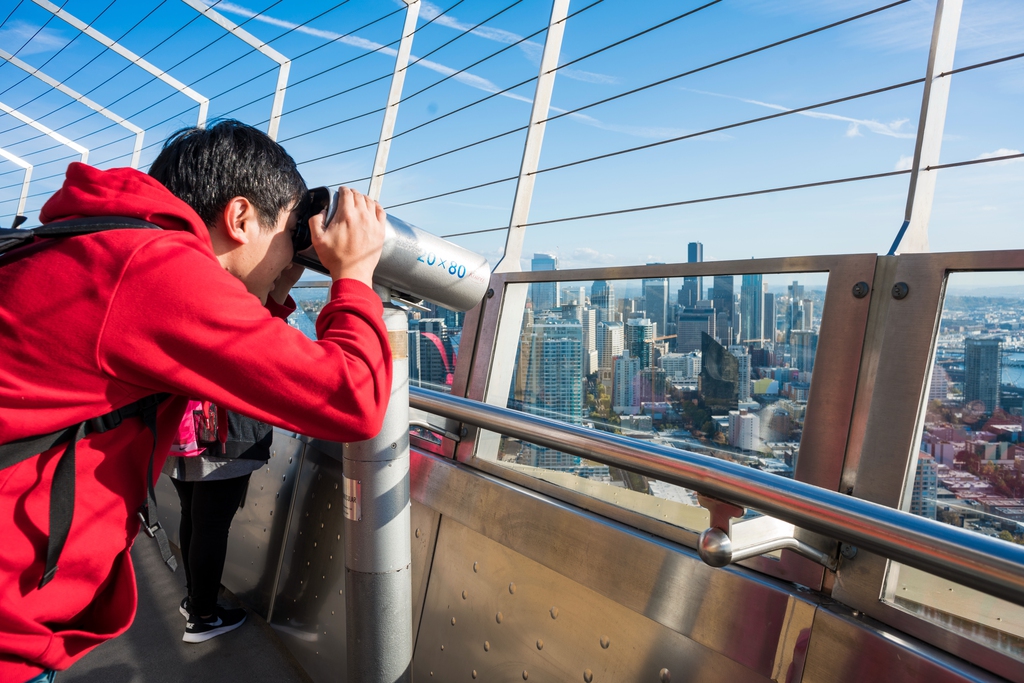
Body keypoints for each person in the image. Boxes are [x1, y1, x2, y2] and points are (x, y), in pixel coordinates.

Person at [0, 120, 393, 681]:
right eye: (286, 237)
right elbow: (352, 400)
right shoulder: (156, 268)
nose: (290, 257)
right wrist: (353, 275)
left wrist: (272, 288)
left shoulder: (107, 244)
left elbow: (224, 352)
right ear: (239, 218)